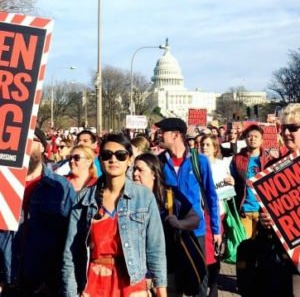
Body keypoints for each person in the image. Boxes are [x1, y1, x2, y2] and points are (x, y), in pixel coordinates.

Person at [62, 133, 167, 297]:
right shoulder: (83, 200)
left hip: (132, 285)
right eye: (106, 155)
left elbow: (156, 250)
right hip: (94, 285)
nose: (113, 160)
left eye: (120, 155)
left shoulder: (144, 198)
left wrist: (161, 292)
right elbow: (70, 253)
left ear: (130, 160)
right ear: (100, 159)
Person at [0, 128, 76, 296]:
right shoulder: (3, 185)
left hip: (44, 286)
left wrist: (53, 282)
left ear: (43, 147)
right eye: (21, 140)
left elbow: (69, 240)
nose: (24, 145)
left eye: (31, 140)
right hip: (7, 284)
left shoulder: (60, 188)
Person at [155, 117, 221, 297]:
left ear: (176, 135)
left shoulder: (199, 161)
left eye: (163, 132)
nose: (159, 135)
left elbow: (211, 197)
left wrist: (216, 230)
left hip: (195, 232)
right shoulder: (158, 163)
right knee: (172, 285)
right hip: (169, 233)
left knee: (198, 282)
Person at [133, 152, 199, 296]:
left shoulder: (170, 194)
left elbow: (194, 218)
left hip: (170, 268)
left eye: (140, 170)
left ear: (154, 173)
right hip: (138, 271)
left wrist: (179, 223)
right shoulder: (129, 197)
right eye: (134, 169)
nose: (135, 173)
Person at [259, 103, 300, 296]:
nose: (286, 133)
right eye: (283, 128)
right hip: (279, 256)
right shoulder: (274, 167)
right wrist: (265, 219)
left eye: (293, 128)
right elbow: (266, 208)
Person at [200, 134, 235, 297]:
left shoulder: (222, 165)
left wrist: (231, 183)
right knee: (204, 253)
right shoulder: (195, 165)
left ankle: (213, 288)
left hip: (217, 214)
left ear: (215, 148)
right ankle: (204, 285)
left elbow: (228, 193)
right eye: (202, 144)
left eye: (208, 144)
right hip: (201, 215)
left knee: (215, 252)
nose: (204, 147)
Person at [230, 124, 272, 239]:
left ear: (262, 139)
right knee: (245, 248)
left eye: (256, 136)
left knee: (262, 249)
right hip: (245, 210)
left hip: (263, 212)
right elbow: (232, 182)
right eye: (249, 136)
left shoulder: (270, 159)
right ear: (245, 139)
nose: (252, 139)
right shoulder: (237, 159)